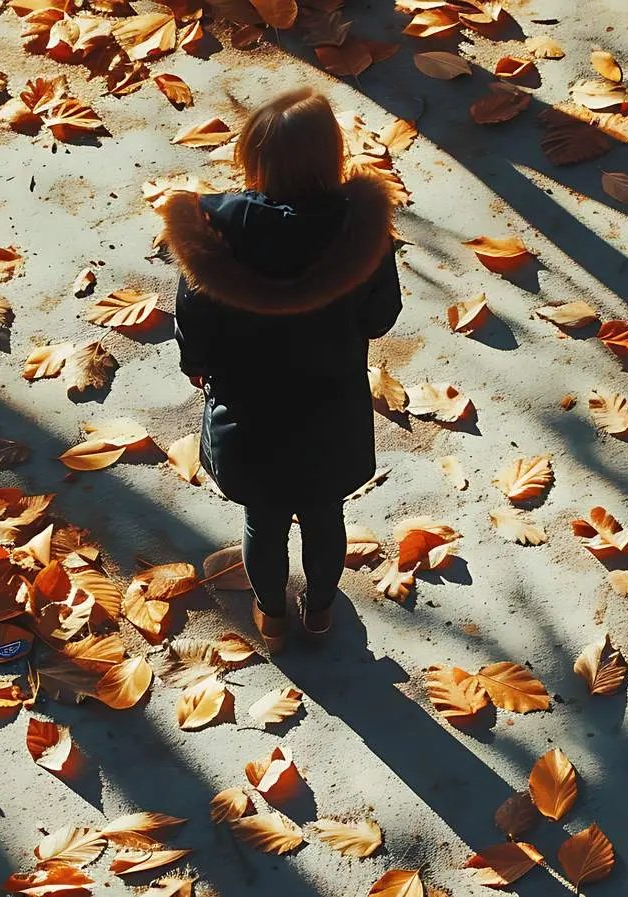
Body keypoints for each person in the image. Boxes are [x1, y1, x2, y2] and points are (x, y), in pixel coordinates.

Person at [156, 86, 403, 654]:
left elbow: (193, 327)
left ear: (253, 157)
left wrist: (198, 367)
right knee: (324, 516)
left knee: (262, 522)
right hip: (331, 411)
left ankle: (270, 617)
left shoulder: (211, 232)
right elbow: (380, 317)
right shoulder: (361, 231)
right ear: (331, 154)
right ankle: (320, 613)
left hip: (248, 417)